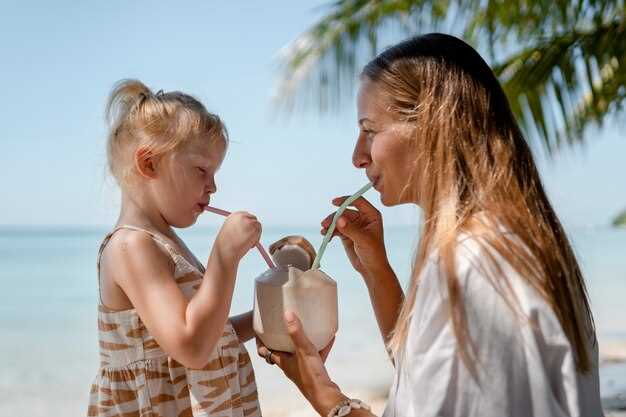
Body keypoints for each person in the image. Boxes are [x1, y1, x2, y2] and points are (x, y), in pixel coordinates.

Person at [257, 33, 604, 417]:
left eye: (369, 130)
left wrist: (323, 394)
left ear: (433, 125)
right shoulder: (512, 244)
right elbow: (429, 381)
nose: (357, 156)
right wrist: (377, 271)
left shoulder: (475, 267)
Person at [88, 80, 262, 417]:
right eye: (202, 170)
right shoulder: (131, 246)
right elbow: (192, 347)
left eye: (215, 172)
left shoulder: (166, 243)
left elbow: (212, 335)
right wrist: (224, 256)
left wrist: (262, 320)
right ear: (149, 164)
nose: (213, 186)